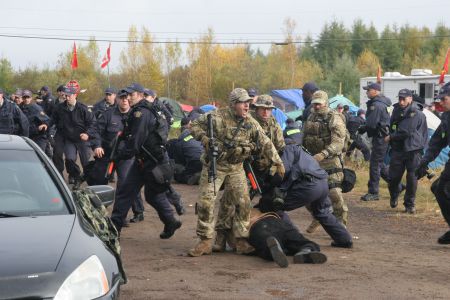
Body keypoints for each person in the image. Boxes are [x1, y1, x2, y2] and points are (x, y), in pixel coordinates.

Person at [187, 88, 284, 257]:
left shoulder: (250, 122)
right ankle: (205, 240)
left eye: (248, 103)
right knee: (206, 202)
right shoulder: (216, 117)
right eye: (243, 103)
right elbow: (193, 125)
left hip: (237, 167)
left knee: (243, 202)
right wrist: (205, 139)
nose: (247, 106)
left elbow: (265, 142)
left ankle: (241, 240)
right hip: (215, 166)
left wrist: (278, 162)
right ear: (233, 105)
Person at [213, 94, 285, 253]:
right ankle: (221, 237)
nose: (266, 113)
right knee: (229, 202)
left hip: (264, 172)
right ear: (256, 109)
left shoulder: (275, 126)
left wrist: (276, 164)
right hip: (245, 168)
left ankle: (242, 239)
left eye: (269, 110)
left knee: (248, 206)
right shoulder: (247, 122)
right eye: (263, 109)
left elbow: (279, 147)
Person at [110, 83, 181, 239]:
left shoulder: (142, 113)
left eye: (132, 94)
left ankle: (170, 220)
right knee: (127, 192)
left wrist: (119, 156)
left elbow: (135, 141)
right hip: (146, 161)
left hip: (152, 162)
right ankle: (114, 229)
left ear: (141, 94)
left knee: (151, 195)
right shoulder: (143, 110)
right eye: (127, 95)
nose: (128, 98)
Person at [258, 143, 353, 248]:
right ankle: (344, 239)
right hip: (323, 183)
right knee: (322, 212)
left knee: (274, 206)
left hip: (309, 186)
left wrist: (268, 187)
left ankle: (295, 241)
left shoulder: (286, 151)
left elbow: (283, 172)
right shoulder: (299, 149)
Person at [90, 89, 146, 223]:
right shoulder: (108, 114)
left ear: (130, 99)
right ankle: (99, 212)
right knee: (98, 180)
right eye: (122, 98)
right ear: (117, 99)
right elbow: (95, 131)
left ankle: (134, 212)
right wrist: (97, 145)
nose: (125, 100)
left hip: (125, 156)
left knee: (127, 182)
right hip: (107, 153)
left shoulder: (136, 115)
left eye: (127, 98)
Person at [302, 90, 349, 233]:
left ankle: (341, 226)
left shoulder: (335, 118)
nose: (316, 107)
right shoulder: (310, 116)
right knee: (306, 194)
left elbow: (338, 143)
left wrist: (324, 154)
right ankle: (318, 216)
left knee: (334, 194)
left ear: (326, 103)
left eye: (319, 104)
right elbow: (305, 137)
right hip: (312, 161)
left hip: (330, 161)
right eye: (314, 104)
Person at [416, 82, 450, 244]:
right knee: (438, 188)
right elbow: (437, 141)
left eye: (444, 98)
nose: (441, 102)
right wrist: (424, 161)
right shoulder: (446, 117)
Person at [384, 89, 428, 213]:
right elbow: (392, 124)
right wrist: (389, 132)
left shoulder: (416, 112)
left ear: (410, 98)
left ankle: (409, 205)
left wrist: (391, 137)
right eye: (400, 99)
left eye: (404, 99)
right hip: (398, 149)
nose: (402, 101)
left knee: (412, 178)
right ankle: (395, 192)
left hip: (413, 150)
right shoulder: (397, 110)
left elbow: (406, 130)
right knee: (393, 177)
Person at [248, 208, 327, 268]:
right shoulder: (260, 208)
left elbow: (241, 243)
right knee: (301, 241)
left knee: (267, 245)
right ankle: (306, 249)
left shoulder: (239, 217)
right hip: (277, 221)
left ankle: (275, 250)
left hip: (257, 226)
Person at [50, 86, 96, 188]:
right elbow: (53, 122)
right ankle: (76, 176)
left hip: (82, 139)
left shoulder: (83, 108)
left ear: (75, 95)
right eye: (65, 96)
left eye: (69, 96)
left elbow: (93, 123)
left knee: (86, 163)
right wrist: (50, 132)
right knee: (70, 159)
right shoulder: (59, 108)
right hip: (69, 139)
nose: (67, 98)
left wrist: (87, 134)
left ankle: (90, 182)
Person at [358, 83, 392, 201]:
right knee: (379, 163)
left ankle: (373, 192)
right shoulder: (382, 103)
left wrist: (362, 128)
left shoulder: (376, 105)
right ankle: (396, 185)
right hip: (382, 136)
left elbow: (371, 124)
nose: (366, 92)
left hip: (380, 137)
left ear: (376, 91)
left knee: (374, 165)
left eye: (369, 90)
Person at [170, 117, 203, 185]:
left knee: (178, 176)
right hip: (205, 160)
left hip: (194, 161)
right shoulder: (198, 135)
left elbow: (180, 158)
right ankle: (202, 176)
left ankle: (191, 178)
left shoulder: (181, 139)